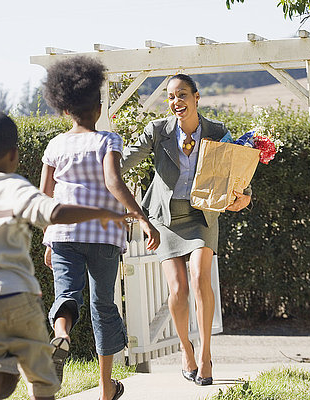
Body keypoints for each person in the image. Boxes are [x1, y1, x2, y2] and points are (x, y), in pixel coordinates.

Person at [0, 110, 135, 400]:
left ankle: (1, 364)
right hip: (20, 301)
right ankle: (24, 374)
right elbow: (53, 211)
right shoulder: (15, 188)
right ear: (14, 154)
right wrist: (104, 213)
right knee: (42, 383)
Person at [40, 55, 160, 400]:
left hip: (62, 234)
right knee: (103, 304)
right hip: (104, 235)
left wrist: (49, 240)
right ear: (99, 106)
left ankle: (61, 334)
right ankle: (106, 386)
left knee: (66, 294)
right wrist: (142, 218)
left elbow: (44, 196)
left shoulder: (54, 146)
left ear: (65, 110)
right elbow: (113, 182)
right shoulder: (108, 140)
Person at [121, 74, 251, 386]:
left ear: (196, 98)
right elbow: (125, 161)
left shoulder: (217, 132)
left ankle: (205, 355)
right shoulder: (157, 131)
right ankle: (186, 349)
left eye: (182, 95)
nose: (176, 102)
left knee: (198, 277)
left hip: (201, 217)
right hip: (165, 218)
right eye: (171, 97)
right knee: (178, 289)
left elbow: (237, 171)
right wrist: (97, 165)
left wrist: (245, 196)